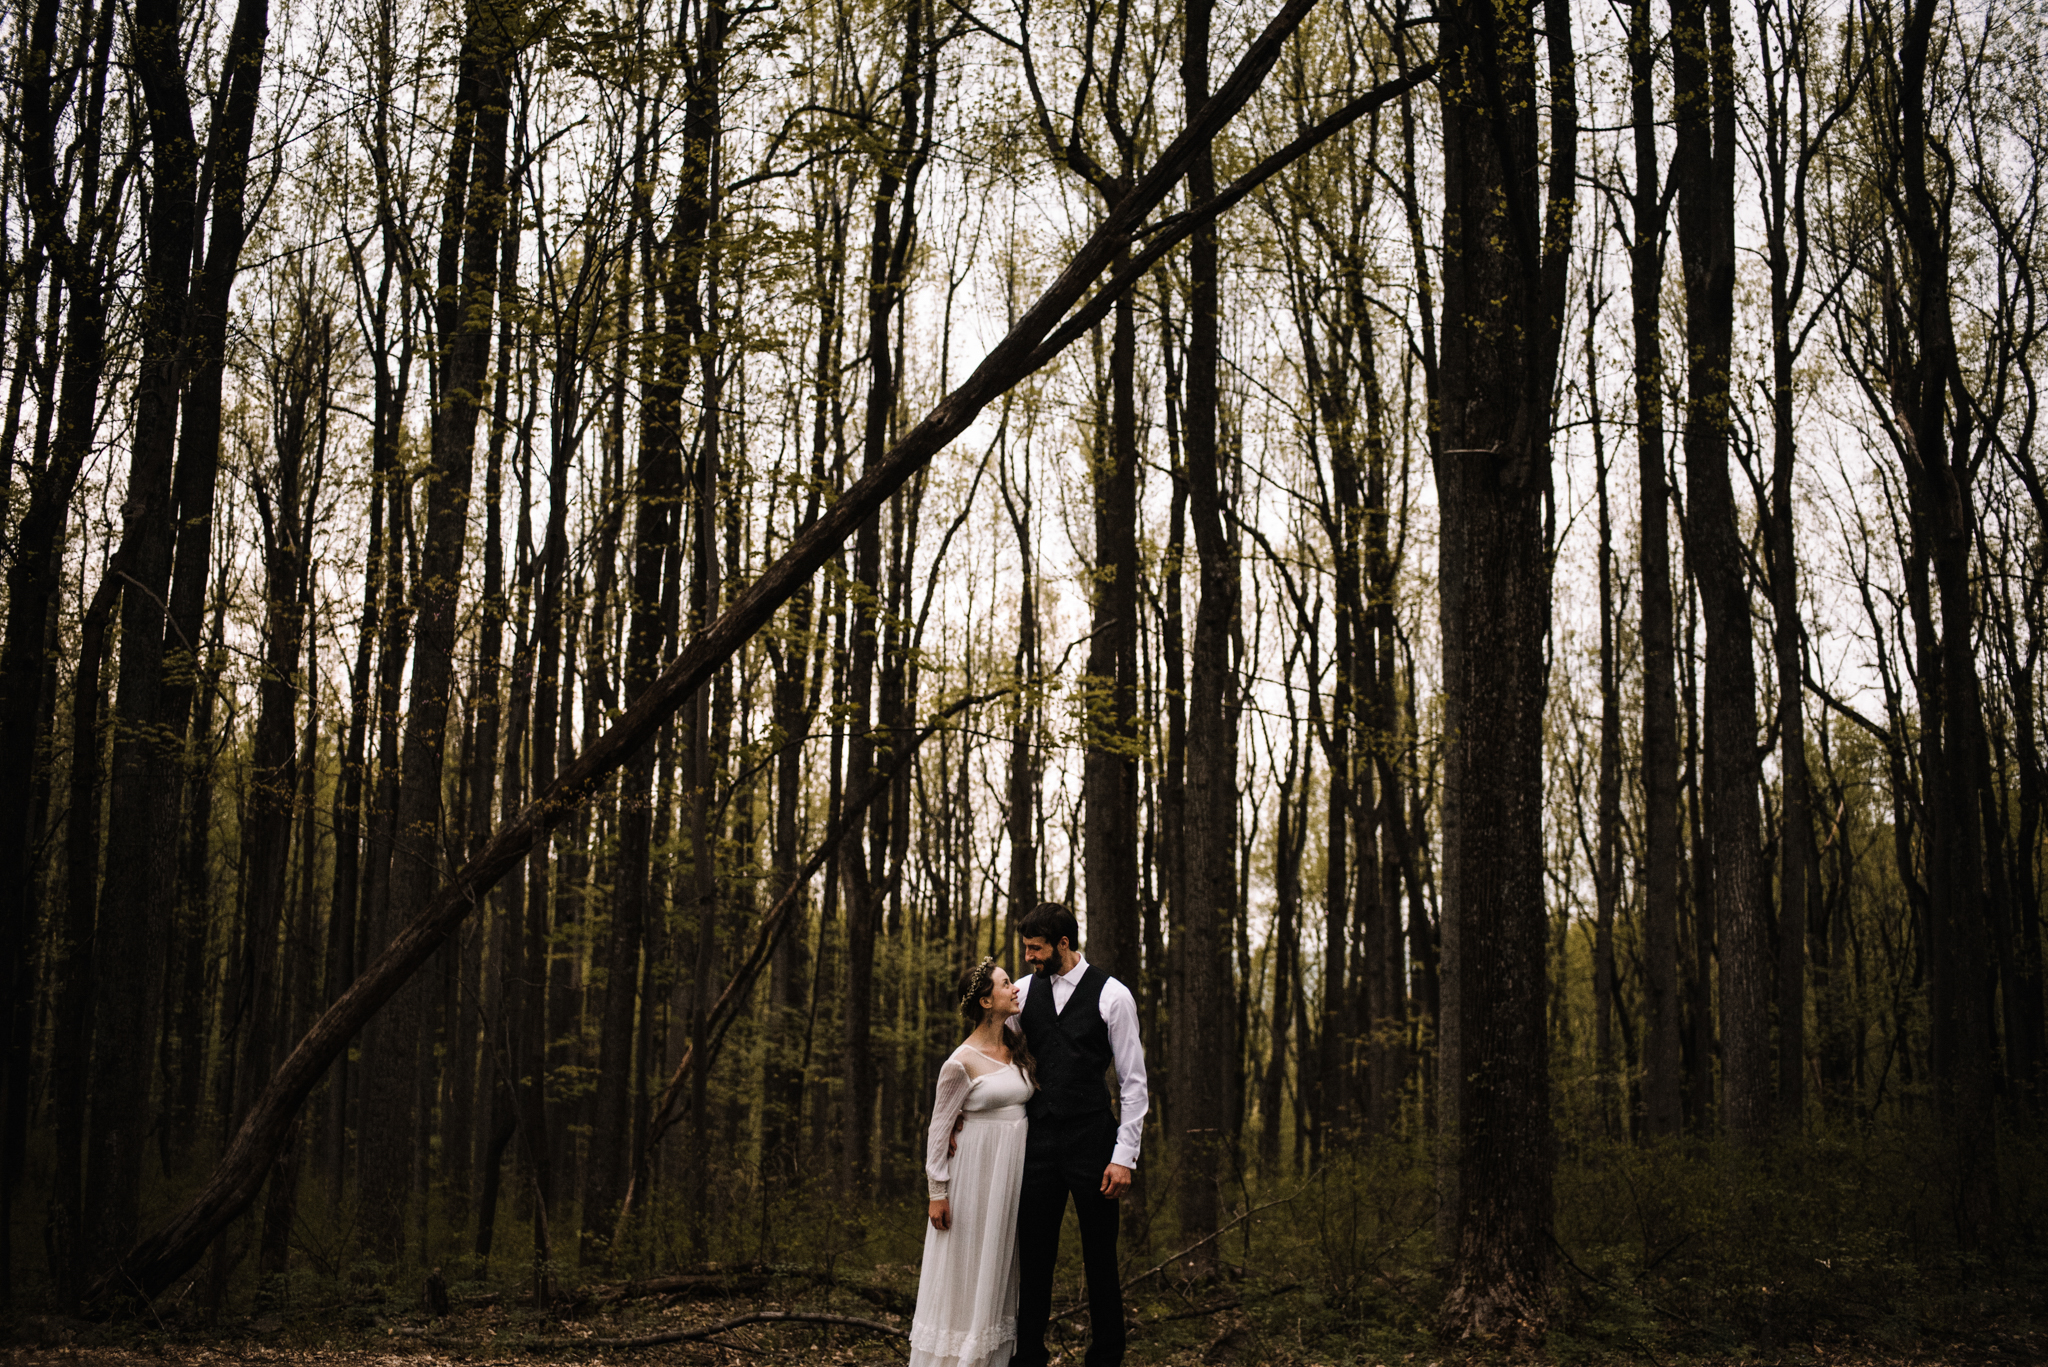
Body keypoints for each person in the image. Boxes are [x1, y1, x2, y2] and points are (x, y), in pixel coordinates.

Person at [1006, 902, 1148, 1367]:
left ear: (1062, 944)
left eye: (1035, 948)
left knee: (1100, 1260)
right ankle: (1028, 1357)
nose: (1027, 956)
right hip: (1037, 1146)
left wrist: (1124, 1156)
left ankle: (1105, 1358)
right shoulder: (1023, 994)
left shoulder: (1113, 995)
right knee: (1034, 1260)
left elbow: (1133, 1082)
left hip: (1094, 1144)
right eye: (1027, 947)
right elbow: (993, 1059)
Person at [910, 958, 1037, 1367]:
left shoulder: (1017, 1042)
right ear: (986, 1000)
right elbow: (938, 1128)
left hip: (1009, 1176)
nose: (1014, 988)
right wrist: (937, 1192)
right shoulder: (959, 1062)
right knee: (963, 1271)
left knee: (997, 1269)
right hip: (973, 1176)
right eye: (1005, 984)